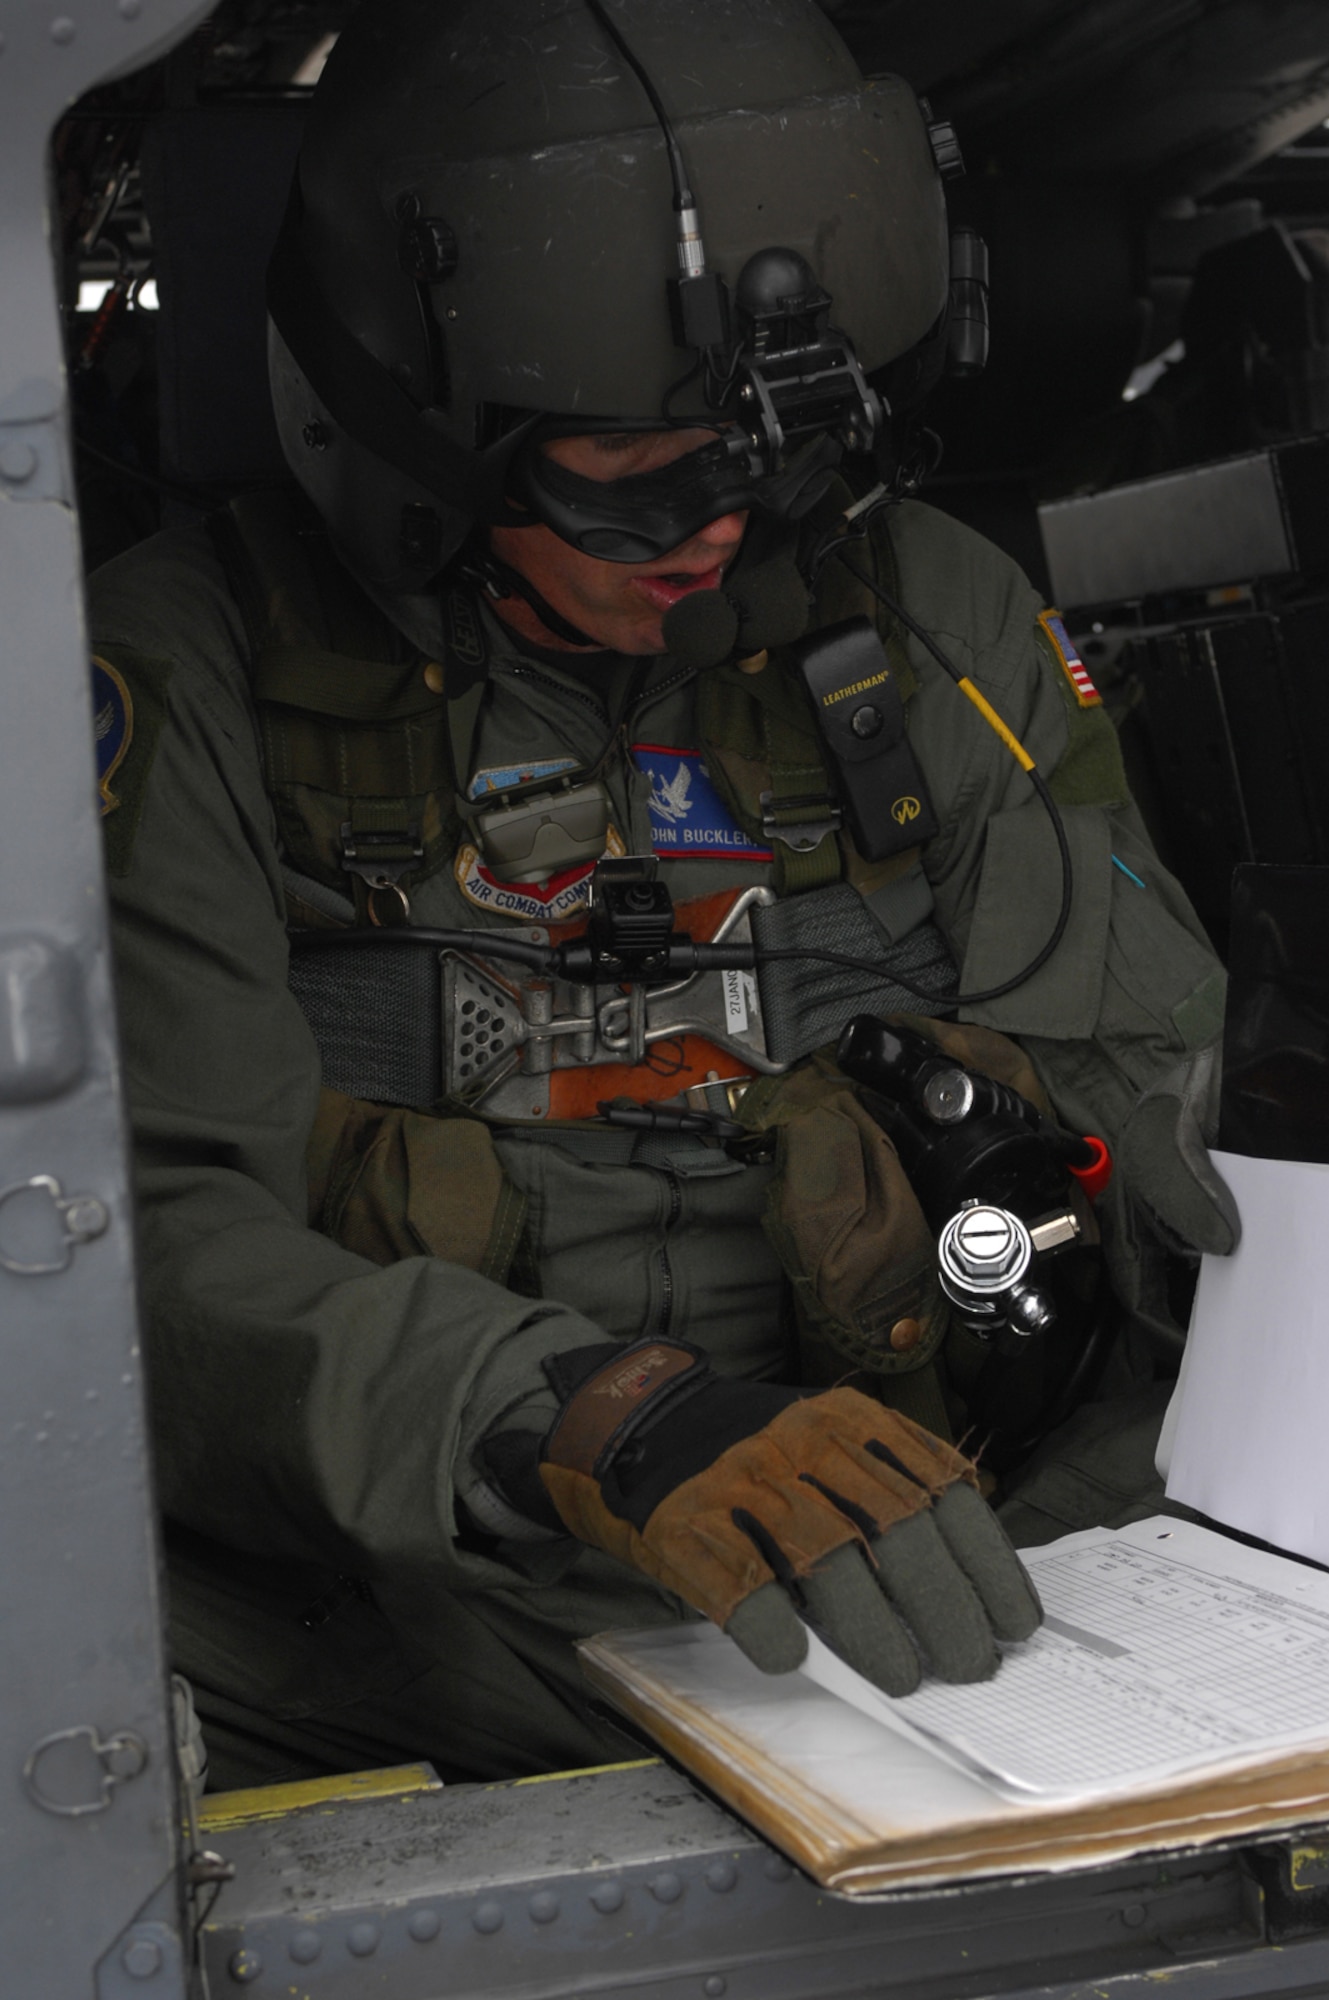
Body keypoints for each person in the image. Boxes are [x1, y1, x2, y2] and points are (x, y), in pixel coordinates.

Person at [87, 0, 1236, 1789]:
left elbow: (1142, 1112)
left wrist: (1077, 1546)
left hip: (912, 1586)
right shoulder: (184, 666)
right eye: (623, 485)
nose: (712, 532)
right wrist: (595, 1418)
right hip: (383, 1621)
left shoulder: (929, 616)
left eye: (761, 468)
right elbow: (138, 1240)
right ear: (409, 433)